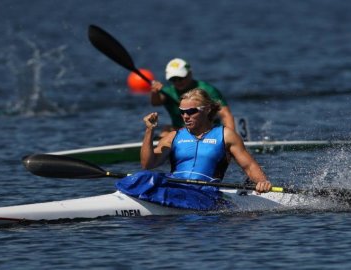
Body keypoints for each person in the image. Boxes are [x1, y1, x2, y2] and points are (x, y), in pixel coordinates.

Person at [115, 88, 271, 211]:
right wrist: (149, 130)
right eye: (182, 112)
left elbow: (249, 166)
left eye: (191, 112)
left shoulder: (226, 135)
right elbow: (147, 164)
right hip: (175, 186)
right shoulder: (173, 136)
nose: (185, 116)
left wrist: (262, 182)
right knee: (143, 176)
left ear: (207, 109)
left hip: (205, 193)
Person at [150, 58, 235, 137]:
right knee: (166, 131)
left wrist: (231, 137)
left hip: (208, 129)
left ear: (190, 73)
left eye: (181, 78)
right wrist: (155, 92)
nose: (178, 81)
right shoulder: (167, 91)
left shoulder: (208, 90)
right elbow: (155, 103)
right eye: (173, 79)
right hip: (181, 129)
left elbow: (225, 115)